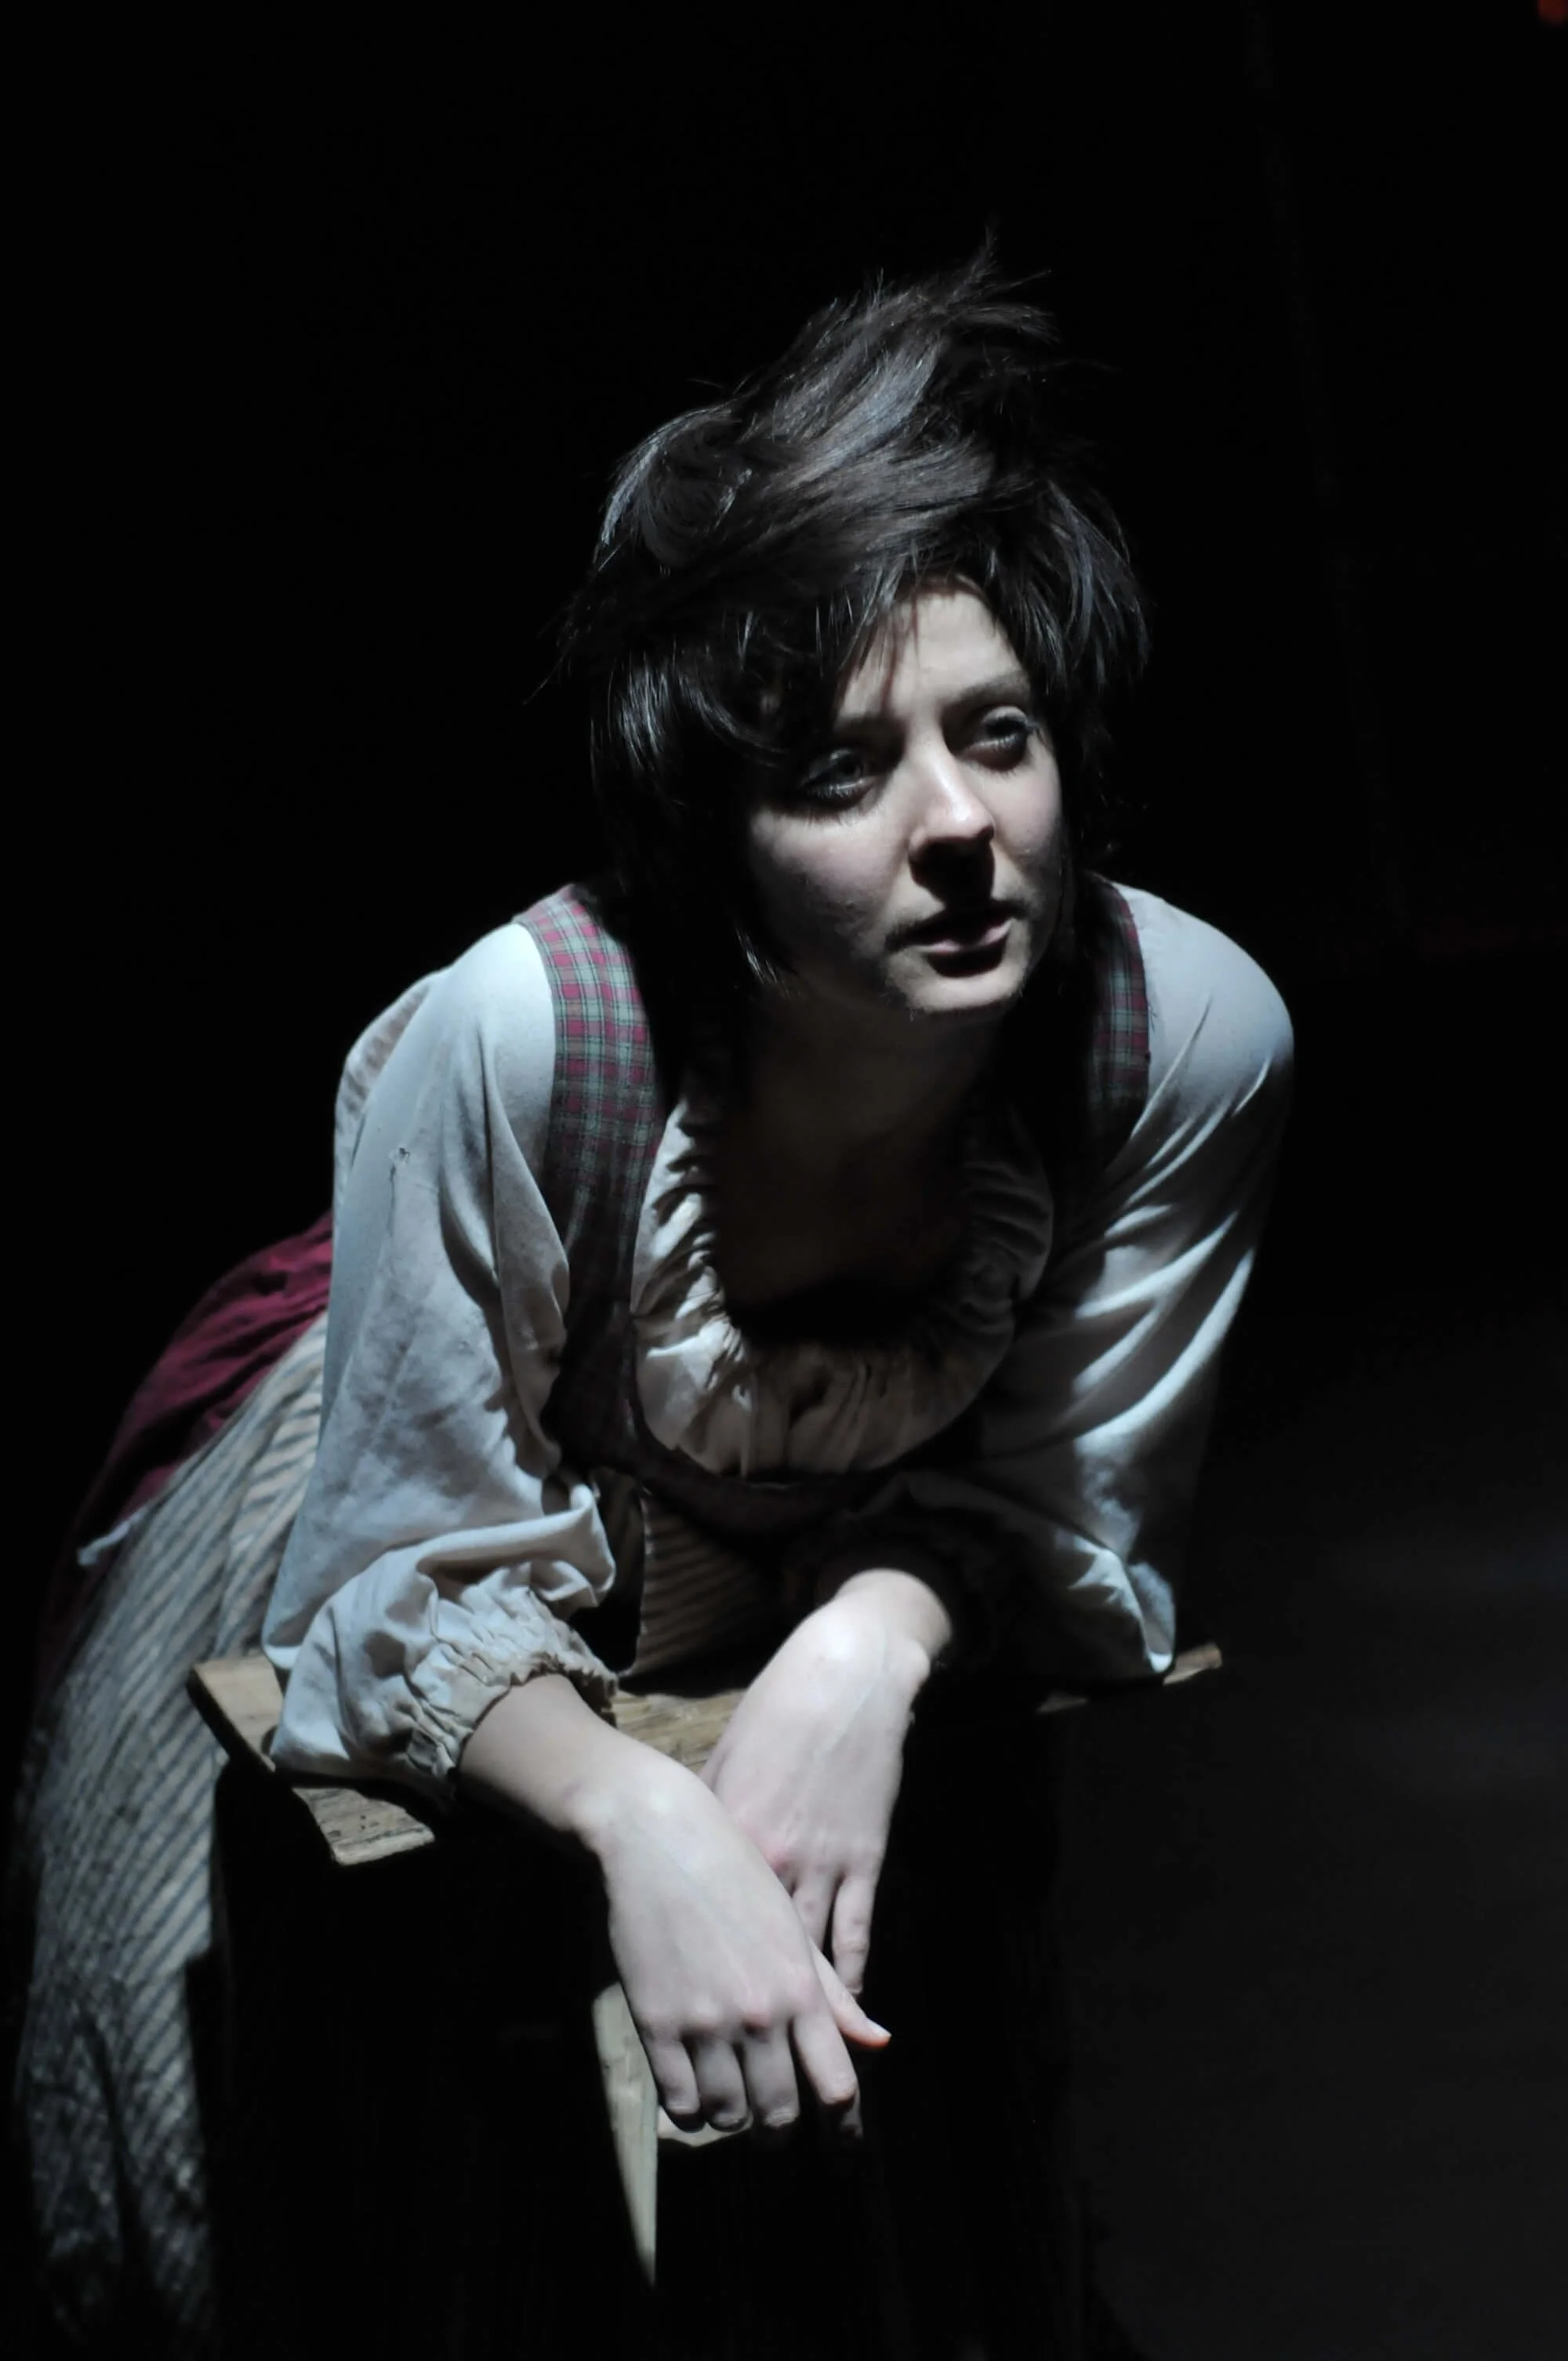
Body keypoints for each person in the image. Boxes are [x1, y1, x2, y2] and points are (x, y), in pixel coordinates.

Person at [10, 251, 1293, 2356]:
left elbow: (1078, 1507)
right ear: (713, 838)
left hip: (860, 1561)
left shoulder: (1178, 1035)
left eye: (1000, 735)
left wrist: (862, 1652)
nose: (962, 827)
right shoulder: (516, 1038)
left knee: (916, 2147)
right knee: (368, 2175)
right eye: (844, 768)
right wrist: (631, 1816)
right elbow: (395, 1590)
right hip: (424, 1498)